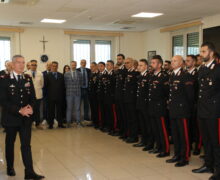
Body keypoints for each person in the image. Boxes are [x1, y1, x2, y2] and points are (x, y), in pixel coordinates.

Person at [0, 55, 44, 179]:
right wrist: (19, 110)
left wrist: (30, 107)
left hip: (25, 119)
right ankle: (10, 167)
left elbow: (34, 98)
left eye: (23, 62)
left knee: (26, 145)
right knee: (10, 144)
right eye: (18, 62)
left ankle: (29, 172)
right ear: (13, 65)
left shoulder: (27, 78)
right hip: (11, 118)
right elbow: (3, 101)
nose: (21, 64)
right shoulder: (4, 79)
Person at [192, 42, 220, 180]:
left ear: (211, 53)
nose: (201, 54)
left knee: (216, 142)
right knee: (206, 141)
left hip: (214, 111)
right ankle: (208, 165)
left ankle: (218, 169)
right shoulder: (202, 69)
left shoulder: (218, 69)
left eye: (203, 52)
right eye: (201, 51)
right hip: (202, 110)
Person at [167, 55, 194, 167]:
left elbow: (190, 96)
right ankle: (177, 154)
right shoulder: (172, 75)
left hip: (182, 110)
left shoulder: (186, 75)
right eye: (172, 60)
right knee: (175, 134)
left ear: (181, 63)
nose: (172, 62)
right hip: (173, 109)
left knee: (184, 135)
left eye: (175, 61)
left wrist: (187, 109)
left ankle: (185, 157)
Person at [148, 55, 170, 158]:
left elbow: (166, 93)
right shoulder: (152, 75)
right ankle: (158, 147)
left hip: (160, 106)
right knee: (155, 128)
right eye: (151, 62)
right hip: (152, 105)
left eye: (153, 63)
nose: (151, 64)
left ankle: (165, 149)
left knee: (162, 129)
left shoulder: (164, 76)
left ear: (159, 64)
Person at [134, 59, 154, 151]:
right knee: (142, 124)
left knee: (148, 125)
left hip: (146, 104)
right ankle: (143, 141)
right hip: (140, 103)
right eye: (138, 65)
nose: (138, 67)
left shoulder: (149, 76)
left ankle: (150, 143)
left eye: (141, 65)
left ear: (146, 66)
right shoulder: (140, 76)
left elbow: (148, 92)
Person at [185, 55, 201, 155]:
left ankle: (198, 147)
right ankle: (189, 144)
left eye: (188, 60)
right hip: (186, 104)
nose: (186, 62)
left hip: (195, 103)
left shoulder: (198, 73)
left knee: (197, 127)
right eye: (185, 60)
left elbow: (197, 89)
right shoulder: (185, 73)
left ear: (194, 62)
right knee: (188, 125)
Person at [123, 57, 139, 143]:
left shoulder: (135, 73)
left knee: (133, 118)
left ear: (132, 64)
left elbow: (135, 88)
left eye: (128, 63)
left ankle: (134, 136)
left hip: (132, 100)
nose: (126, 64)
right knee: (128, 118)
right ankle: (130, 134)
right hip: (127, 99)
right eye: (125, 63)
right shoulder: (128, 72)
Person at [44, 61, 65, 129]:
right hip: (50, 97)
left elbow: (63, 86)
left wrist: (62, 96)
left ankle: (60, 124)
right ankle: (50, 124)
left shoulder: (61, 75)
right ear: (51, 66)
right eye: (53, 66)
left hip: (59, 96)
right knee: (51, 111)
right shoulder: (47, 75)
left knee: (60, 111)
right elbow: (46, 87)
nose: (54, 67)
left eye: (56, 66)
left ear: (57, 67)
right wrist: (47, 96)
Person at [26, 60, 44, 130]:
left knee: (37, 110)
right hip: (29, 96)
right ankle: (29, 124)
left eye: (35, 65)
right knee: (29, 110)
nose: (34, 66)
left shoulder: (40, 73)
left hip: (38, 94)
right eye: (32, 65)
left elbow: (42, 84)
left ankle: (37, 124)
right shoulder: (26, 73)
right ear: (30, 65)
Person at [65, 61, 83, 128]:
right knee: (69, 108)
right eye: (72, 65)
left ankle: (78, 122)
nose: (73, 66)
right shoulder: (66, 74)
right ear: (70, 65)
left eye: (75, 65)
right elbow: (65, 84)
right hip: (69, 93)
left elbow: (81, 83)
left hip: (77, 93)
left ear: (76, 65)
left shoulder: (79, 74)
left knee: (78, 108)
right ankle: (68, 123)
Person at [115, 54, 127, 138]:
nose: (118, 60)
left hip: (123, 96)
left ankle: (125, 132)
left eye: (120, 59)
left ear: (123, 60)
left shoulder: (125, 70)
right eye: (117, 59)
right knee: (119, 114)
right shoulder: (118, 69)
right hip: (118, 95)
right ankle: (121, 130)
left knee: (124, 115)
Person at [103, 60, 116, 135]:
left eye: (108, 65)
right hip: (106, 97)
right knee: (108, 113)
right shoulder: (106, 74)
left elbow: (113, 87)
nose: (107, 66)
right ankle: (109, 127)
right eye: (106, 65)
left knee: (112, 114)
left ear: (112, 66)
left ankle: (113, 128)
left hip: (111, 97)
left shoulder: (114, 74)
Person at [96, 62, 107, 130]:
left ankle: (105, 125)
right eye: (99, 66)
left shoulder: (106, 74)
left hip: (104, 96)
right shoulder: (99, 74)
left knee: (105, 112)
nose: (100, 68)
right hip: (99, 96)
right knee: (101, 111)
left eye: (101, 66)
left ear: (104, 66)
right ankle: (102, 124)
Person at [88, 62, 99, 128]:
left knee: (96, 109)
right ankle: (93, 121)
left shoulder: (98, 74)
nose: (91, 68)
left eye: (92, 66)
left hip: (95, 95)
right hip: (91, 95)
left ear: (96, 66)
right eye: (90, 66)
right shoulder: (91, 74)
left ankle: (97, 123)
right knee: (92, 109)